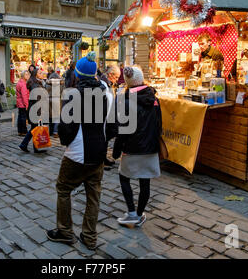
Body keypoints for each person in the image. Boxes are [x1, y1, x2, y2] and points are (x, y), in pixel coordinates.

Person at [46, 51, 116, 251]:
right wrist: (103, 141)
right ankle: (89, 236)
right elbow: (113, 125)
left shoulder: (74, 94)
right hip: (98, 153)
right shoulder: (106, 92)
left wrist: (67, 143)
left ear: (77, 75)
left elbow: (66, 127)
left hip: (77, 153)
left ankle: (65, 231)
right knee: (93, 195)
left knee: (64, 189)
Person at [112, 66, 162, 228]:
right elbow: (159, 125)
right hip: (150, 147)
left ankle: (132, 213)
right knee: (144, 182)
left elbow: (122, 130)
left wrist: (116, 150)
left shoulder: (126, 101)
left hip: (132, 148)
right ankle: (139, 214)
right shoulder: (154, 100)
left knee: (124, 177)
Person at [18, 68, 47, 153]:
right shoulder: (35, 85)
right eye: (40, 73)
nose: (42, 74)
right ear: (36, 75)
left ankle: (25, 145)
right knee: (35, 128)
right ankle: (35, 147)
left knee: (34, 128)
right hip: (36, 109)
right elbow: (37, 100)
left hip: (35, 109)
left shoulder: (37, 83)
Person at [100, 65, 121, 170]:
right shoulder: (103, 84)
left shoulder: (109, 83)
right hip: (105, 116)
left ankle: (103, 157)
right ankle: (101, 160)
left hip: (109, 115)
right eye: (116, 77)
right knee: (103, 138)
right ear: (110, 75)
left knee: (106, 137)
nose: (117, 80)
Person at [45, 70, 63, 137]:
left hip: (49, 100)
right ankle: (56, 131)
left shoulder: (47, 83)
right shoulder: (60, 83)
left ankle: (50, 131)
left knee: (50, 117)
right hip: (58, 100)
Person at [16, 70, 30, 136]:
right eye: (26, 74)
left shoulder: (20, 82)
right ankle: (24, 131)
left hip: (19, 102)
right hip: (22, 103)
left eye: (28, 74)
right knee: (23, 117)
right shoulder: (23, 84)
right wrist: (27, 104)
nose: (28, 76)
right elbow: (24, 95)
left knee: (20, 116)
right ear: (23, 75)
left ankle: (20, 130)